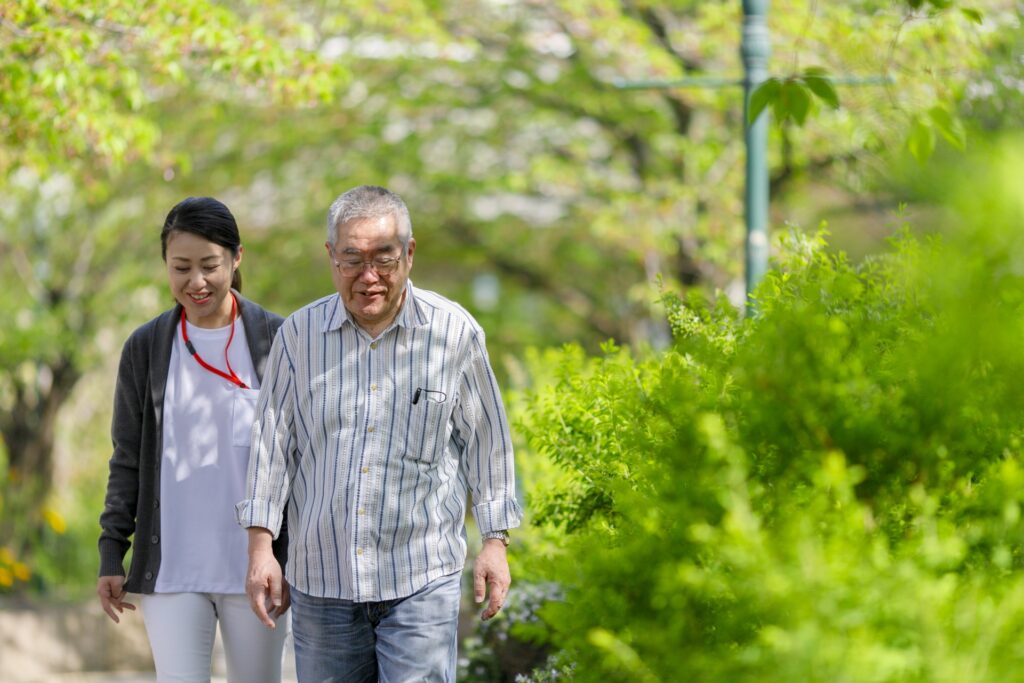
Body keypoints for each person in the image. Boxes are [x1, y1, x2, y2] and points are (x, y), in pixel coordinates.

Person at [236, 184, 523, 682]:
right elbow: (271, 450)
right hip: (322, 582)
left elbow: (488, 444)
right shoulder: (298, 338)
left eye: (383, 259)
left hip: (420, 578)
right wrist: (262, 549)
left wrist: (494, 543)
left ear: (409, 254)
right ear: (331, 257)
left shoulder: (454, 334)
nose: (369, 276)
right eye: (352, 259)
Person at [97, 197, 290, 683]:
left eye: (210, 265)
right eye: (180, 267)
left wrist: (292, 558)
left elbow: (299, 459)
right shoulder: (146, 347)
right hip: (173, 569)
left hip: (257, 569)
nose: (196, 281)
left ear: (237, 258)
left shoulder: (279, 340)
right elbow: (126, 458)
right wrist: (110, 550)